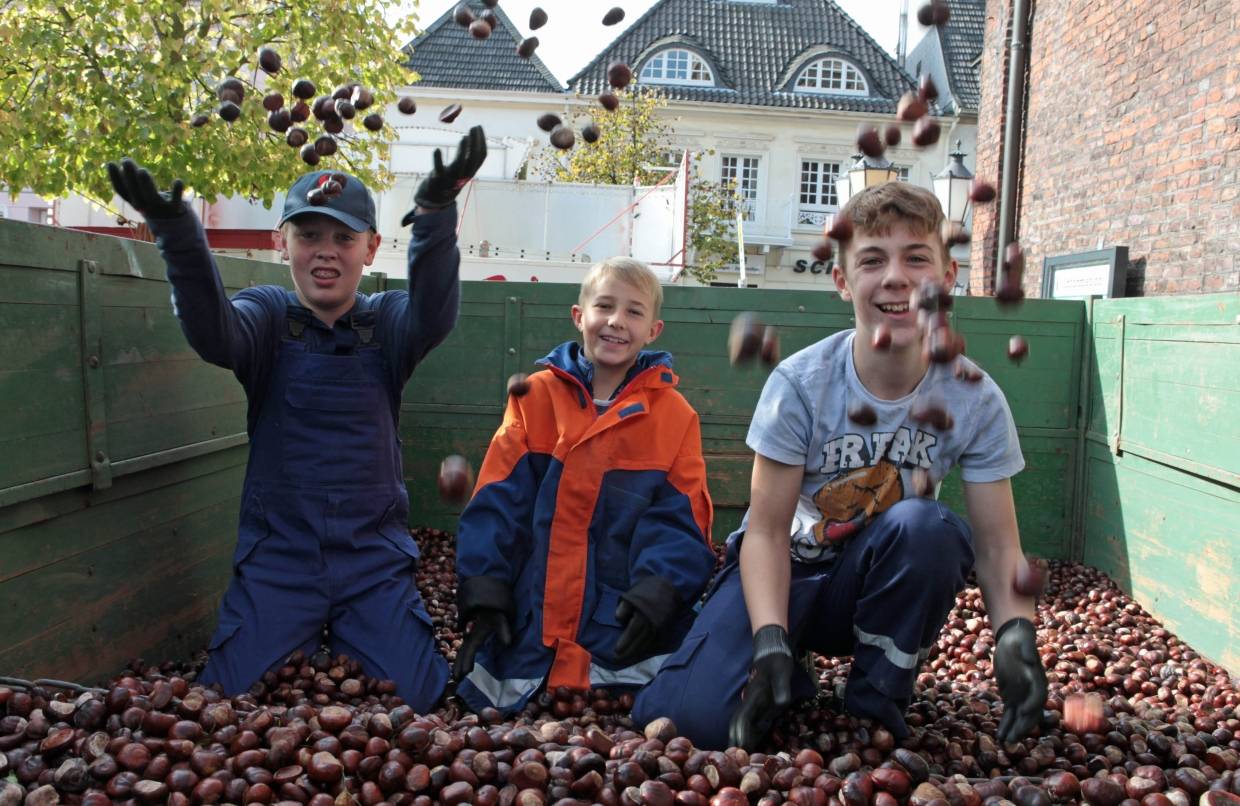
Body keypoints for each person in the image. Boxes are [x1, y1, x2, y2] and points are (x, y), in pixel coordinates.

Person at [632, 182, 1047, 750]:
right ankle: (790, 662)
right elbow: (768, 531)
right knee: (690, 722)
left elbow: (1000, 549)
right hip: (788, 572)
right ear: (842, 281)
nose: (896, 277)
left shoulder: (973, 397)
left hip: (871, 584)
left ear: (948, 279)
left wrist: (1016, 636)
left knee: (931, 529)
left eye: (917, 258)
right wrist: (770, 638)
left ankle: (876, 695)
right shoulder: (801, 386)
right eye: (872, 260)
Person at [104, 127, 488, 711]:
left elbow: (434, 314)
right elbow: (213, 333)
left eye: (343, 236)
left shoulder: (386, 324)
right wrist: (180, 236)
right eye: (308, 235)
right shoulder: (263, 315)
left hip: (373, 564)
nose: (325, 250)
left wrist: (435, 215)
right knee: (225, 704)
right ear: (281, 243)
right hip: (279, 565)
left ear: (372, 246)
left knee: (423, 702)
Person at [451, 257, 717, 713]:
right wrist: (485, 586)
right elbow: (498, 499)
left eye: (634, 312)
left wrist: (660, 588)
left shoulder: (675, 417)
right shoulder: (533, 398)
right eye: (604, 306)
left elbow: (681, 517)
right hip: (529, 623)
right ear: (580, 317)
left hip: (618, 628)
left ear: (654, 330)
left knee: (659, 718)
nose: (616, 321)